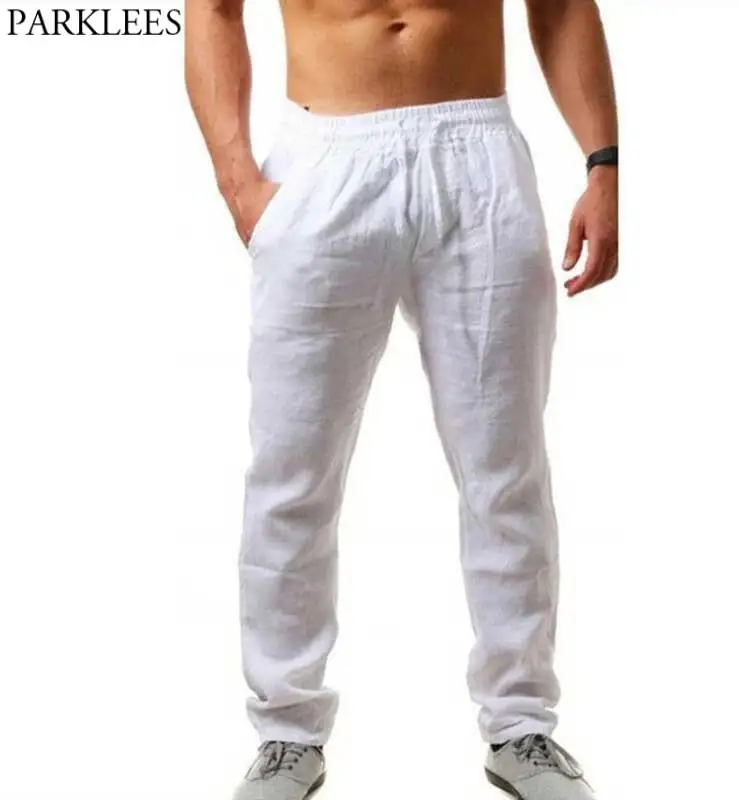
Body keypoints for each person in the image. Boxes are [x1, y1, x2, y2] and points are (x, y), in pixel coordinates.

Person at [186, 1, 618, 797]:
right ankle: (286, 732)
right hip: (324, 159)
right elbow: (213, 9)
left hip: (478, 156)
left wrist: (603, 164)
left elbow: (559, 6)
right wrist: (237, 181)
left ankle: (521, 726)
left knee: (505, 469)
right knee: (291, 472)